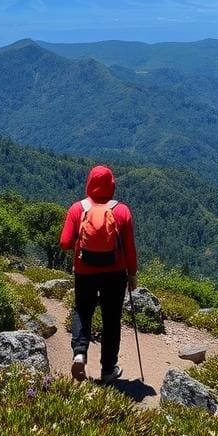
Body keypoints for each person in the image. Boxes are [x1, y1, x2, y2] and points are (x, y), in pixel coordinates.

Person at [59, 164, 138, 383]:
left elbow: (65, 243)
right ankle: (108, 370)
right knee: (111, 319)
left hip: (85, 272)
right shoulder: (121, 211)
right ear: (112, 185)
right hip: (115, 273)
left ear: (90, 184)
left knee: (83, 311)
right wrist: (132, 274)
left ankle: (80, 353)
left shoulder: (78, 208)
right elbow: (130, 248)